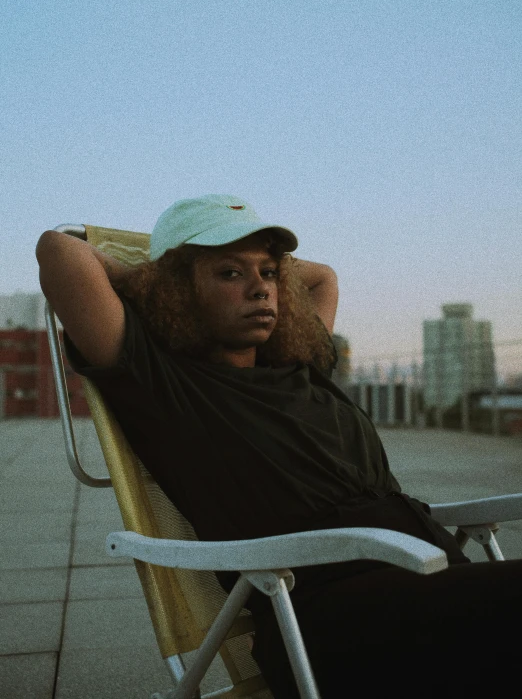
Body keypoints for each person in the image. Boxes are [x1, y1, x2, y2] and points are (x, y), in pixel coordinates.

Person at [37, 194, 522, 697]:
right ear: (175, 290)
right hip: (331, 618)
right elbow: (59, 249)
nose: (261, 290)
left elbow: (322, 277)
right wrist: (152, 275)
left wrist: (242, 258)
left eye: (269, 273)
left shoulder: (298, 368)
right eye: (229, 274)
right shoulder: (165, 385)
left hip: (430, 587)